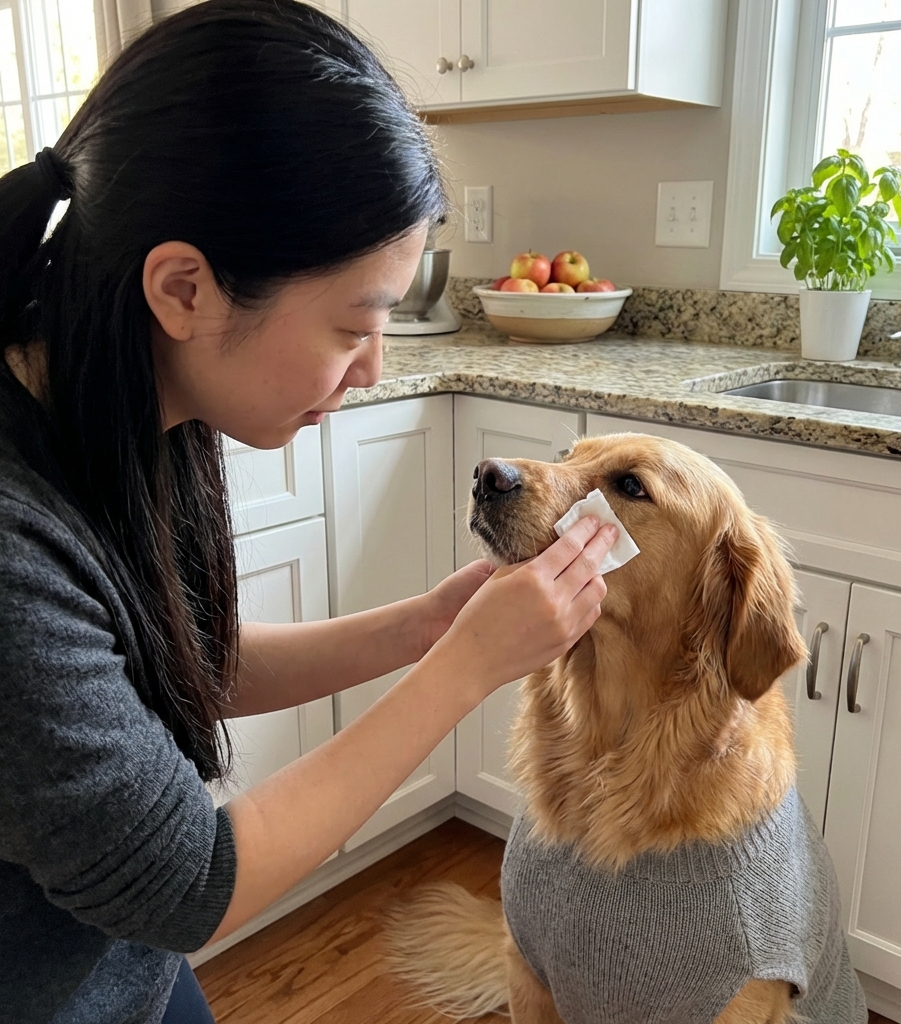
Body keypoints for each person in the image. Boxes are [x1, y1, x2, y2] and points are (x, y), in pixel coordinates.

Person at [0, 2, 617, 1021]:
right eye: (354, 323)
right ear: (183, 288)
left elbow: (173, 663)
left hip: (129, 978)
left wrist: (427, 625)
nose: (374, 368)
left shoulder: (126, 406)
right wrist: (465, 667)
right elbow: (188, 883)